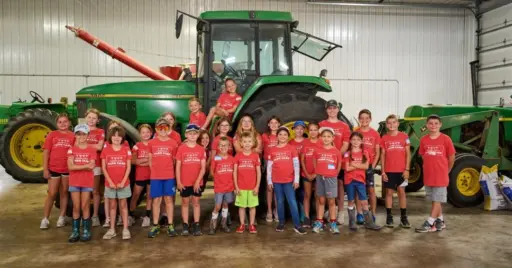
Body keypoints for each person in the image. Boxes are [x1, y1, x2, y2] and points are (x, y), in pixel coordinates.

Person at [415, 114, 455, 233]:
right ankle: (440, 221)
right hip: (429, 174)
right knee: (434, 199)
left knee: (437, 199)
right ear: (427, 125)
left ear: (440, 125)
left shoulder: (446, 139)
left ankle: (430, 222)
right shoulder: (423, 140)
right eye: (431, 123)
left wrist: (446, 170)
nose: (433, 126)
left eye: (436, 123)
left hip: (441, 174)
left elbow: (451, 157)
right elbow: (422, 155)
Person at [267, 126, 307, 235]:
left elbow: (296, 165)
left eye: (285, 134)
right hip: (276, 181)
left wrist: (296, 180)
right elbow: (269, 167)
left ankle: (297, 225)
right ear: (277, 136)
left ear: (288, 136)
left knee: (292, 202)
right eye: (280, 134)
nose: (282, 136)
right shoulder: (273, 150)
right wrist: (269, 181)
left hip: (289, 180)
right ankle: (281, 222)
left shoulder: (291, 148)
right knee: (280, 201)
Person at [319, 100, 351, 225]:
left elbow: (345, 144)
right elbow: (320, 142)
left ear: (338, 110)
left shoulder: (344, 126)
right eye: (329, 108)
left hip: (338, 162)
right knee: (326, 187)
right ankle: (328, 211)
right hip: (324, 162)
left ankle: (341, 212)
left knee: (339, 186)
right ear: (326, 110)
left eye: (334, 108)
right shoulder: (322, 124)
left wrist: (335, 156)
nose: (332, 111)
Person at [41, 113, 74, 229]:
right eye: (60, 122)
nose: (63, 124)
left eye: (65, 121)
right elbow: (46, 152)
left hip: (67, 169)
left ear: (69, 123)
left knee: (64, 192)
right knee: (52, 193)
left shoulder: (73, 136)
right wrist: (45, 169)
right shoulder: (52, 135)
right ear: (57, 124)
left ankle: (62, 217)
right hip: (53, 168)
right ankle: (45, 218)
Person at [147, 118, 179, 238]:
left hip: (169, 176)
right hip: (156, 177)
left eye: (165, 127)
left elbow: (175, 161)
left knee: (169, 200)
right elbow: (150, 160)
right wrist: (155, 171)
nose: (163, 130)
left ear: (169, 129)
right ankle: (155, 225)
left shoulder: (173, 143)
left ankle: (170, 225)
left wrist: (170, 172)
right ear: (156, 129)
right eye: (160, 128)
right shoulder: (151, 143)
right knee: (156, 200)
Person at [344, 132, 381, 231]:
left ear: (361, 141)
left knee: (364, 201)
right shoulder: (347, 153)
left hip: (360, 180)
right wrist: (358, 164)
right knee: (351, 201)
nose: (356, 142)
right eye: (353, 140)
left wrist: (354, 164)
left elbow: (365, 166)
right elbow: (347, 168)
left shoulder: (365, 152)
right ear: (350, 141)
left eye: (358, 140)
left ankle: (369, 223)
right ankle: (352, 223)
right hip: (350, 180)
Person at [101, 126, 132, 240]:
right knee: (112, 206)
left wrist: (123, 181)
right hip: (110, 184)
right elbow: (104, 168)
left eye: (119, 136)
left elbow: (128, 167)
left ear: (122, 137)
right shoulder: (106, 149)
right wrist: (110, 182)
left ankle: (125, 229)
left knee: (123, 205)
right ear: (110, 136)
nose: (116, 138)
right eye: (114, 135)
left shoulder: (126, 150)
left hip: (124, 183)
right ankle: (112, 229)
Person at [66, 124, 96, 242]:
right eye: (79, 134)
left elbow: (92, 166)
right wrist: (84, 166)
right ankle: (75, 231)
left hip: (87, 182)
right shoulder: (71, 149)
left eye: (84, 134)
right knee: (76, 206)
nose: (81, 136)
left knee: (85, 205)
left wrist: (77, 166)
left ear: (88, 135)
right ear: (75, 135)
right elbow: (70, 167)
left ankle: (86, 230)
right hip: (74, 181)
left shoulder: (91, 149)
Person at [176, 124, 207, 236]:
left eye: (195, 133)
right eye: (190, 133)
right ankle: (185, 224)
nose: (192, 135)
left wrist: (198, 181)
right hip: (185, 181)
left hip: (197, 181)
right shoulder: (181, 149)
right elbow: (178, 166)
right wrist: (179, 181)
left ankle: (196, 223)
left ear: (198, 135)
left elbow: (203, 168)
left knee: (196, 202)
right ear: (186, 134)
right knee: (185, 202)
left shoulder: (201, 149)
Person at [381, 114, 411, 228]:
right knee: (389, 193)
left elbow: (408, 154)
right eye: (389, 123)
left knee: (401, 192)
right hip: (389, 171)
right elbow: (383, 155)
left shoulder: (404, 136)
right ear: (386, 125)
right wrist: (383, 172)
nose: (391, 125)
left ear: (398, 124)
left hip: (402, 171)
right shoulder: (384, 138)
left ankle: (404, 218)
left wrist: (407, 169)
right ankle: (389, 217)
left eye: (394, 122)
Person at [312, 127, 342, 234]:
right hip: (320, 177)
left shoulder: (336, 152)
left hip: (331, 178)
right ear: (320, 138)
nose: (326, 138)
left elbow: (338, 165)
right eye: (324, 136)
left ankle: (333, 223)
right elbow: (315, 161)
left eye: (328, 136)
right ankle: (319, 221)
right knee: (321, 200)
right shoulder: (317, 150)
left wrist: (333, 174)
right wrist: (318, 172)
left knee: (331, 201)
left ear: (333, 138)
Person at [355, 109, 380, 224]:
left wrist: (372, 166)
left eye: (367, 118)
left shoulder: (375, 133)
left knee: (371, 190)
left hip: (369, 166)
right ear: (359, 119)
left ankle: (373, 213)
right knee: (359, 190)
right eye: (362, 118)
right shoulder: (356, 132)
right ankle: (359, 214)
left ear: (370, 119)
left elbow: (377, 151)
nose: (364, 120)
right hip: (358, 165)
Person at [234, 132, 261, 234]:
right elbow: (235, 172)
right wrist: (236, 186)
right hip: (241, 187)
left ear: (253, 142)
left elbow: (258, 172)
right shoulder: (238, 155)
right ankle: (242, 224)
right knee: (242, 207)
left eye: (249, 141)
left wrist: (257, 186)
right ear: (241, 143)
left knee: (252, 207)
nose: (247, 144)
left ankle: (251, 225)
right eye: (245, 142)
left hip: (252, 187)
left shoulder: (255, 156)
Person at [208, 137, 235, 235]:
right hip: (219, 187)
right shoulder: (216, 158)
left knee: (225, 204)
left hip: (229, 187)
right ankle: (213, 224)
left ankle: (223, 224)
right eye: (221, 145)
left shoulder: (232, 159)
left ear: (229, 146)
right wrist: (217, 178)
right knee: (217, 206)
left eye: (225, 145)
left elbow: (234, 172)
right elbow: (212, 171)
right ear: (218, 146)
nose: (223, 147)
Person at [84, 108, 105, 227]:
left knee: (95, 191)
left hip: (95, 165)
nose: (91, 120)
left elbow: (99, 147)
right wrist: (93, 145)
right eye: (89, 117)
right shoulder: (80, 130)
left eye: (94, 118)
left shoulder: (100, 131)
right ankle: (85, 215)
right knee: (84, 191)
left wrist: (84, 144)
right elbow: (75, 145)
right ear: (85, 117)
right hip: (81, 164)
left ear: (97, 120)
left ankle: (95, 215)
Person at [130, 124, 153, 228]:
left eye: (147, 132)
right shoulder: (137, 145)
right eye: (143, 132)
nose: (145, 134)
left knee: (149, 196)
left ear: (151, 133)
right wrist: (145, 161)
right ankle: (131, 215)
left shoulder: (153, 144)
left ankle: (147, 216)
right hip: (140, 175)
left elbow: (155, 161)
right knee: (135, 195)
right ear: (140, 134)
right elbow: (133, 161)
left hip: (152, 175)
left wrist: (142, 162)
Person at [300, 121, 321, 228]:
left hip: (318, 174)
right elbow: (302, 160)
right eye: (311, 130)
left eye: (315, 130)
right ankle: (306, 218)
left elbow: (322, 160)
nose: (313, 132)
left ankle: (318, 218)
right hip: (306, 174)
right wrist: (307, 174)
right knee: (307, 195)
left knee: (318, 196)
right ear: (308, 131)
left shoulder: (321, 143)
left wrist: (315, 174)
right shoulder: (305, 142)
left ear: (318, 131)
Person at [262, 116, 281, 222]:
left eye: (276, 122)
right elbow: (261, 150)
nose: (274, 125)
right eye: (271, 123)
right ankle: (269, 210)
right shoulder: (265, 136)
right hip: (267, 162)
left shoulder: (281, 135)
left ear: (279, 124)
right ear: (268, 125)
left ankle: (277, 210)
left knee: (277, 189)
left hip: (279, 163)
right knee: (269, 188)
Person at [289, 121, 307, 224]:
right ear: (294, 130)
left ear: (304, 130)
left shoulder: (307, 141)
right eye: (297, 128)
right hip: (293, 172)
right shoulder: (290, 143)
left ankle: (303, 214)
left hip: (304, 171)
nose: (299, 130)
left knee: (303, 194)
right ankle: (294, 214)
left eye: (301, 128)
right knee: (294, 194)